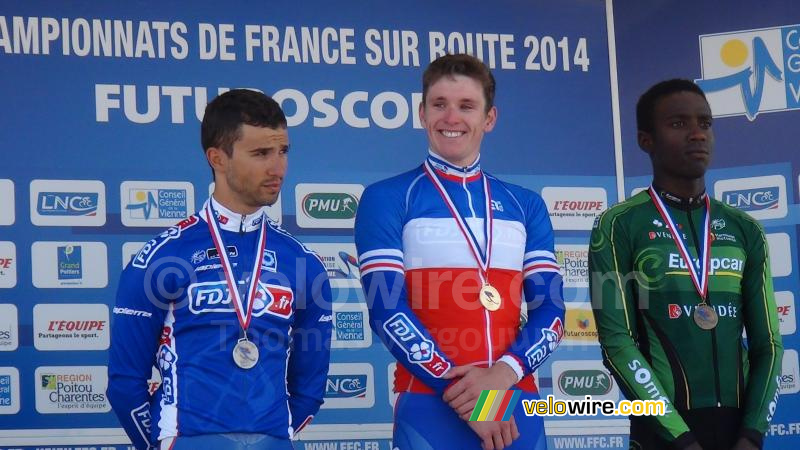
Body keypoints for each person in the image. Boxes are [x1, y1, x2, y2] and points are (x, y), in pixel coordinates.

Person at [354, 54, 565, 450]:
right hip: (432, 403)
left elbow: (552, 314)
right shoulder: (387, 198)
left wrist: (502, 376)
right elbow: (387, 310)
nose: (451, 118)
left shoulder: (525, 205)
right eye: (439, 105)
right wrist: (471, 400)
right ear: (422, 113)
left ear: (489, 119)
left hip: (515, 402)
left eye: (466, 106)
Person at [107, 89, 332, 450]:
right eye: (261, 153)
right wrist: (162, 442)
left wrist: (277, 433)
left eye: (283, 151)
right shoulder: (161, 257)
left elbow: (309, 389)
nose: (278, 168)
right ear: (218, 158)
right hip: (187, 439)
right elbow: (124, 384)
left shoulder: (304, 262)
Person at [589, 79, 783, 450]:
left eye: (705, 124)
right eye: (679, 124)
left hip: (738, 435)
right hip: (664, 434)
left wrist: (752, 435)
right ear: (646, 140)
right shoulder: (617, 226)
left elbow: (768, 344)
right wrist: (681, 439)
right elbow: (617, 342)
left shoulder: (746, 230)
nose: (697, 134)